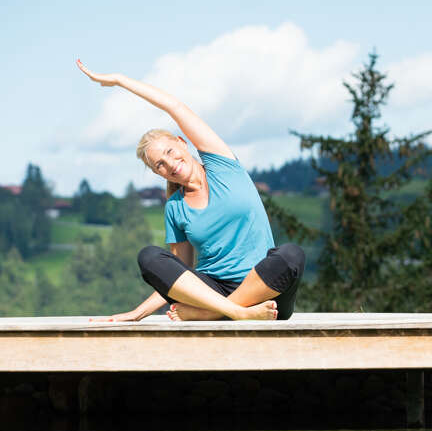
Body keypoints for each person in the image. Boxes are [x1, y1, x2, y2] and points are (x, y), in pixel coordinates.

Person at [77, 59, 305, 322]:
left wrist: (120, 80)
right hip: (213, 290)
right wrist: (137, 313)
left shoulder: (222, 166)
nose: (170, 164)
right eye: (160, 164)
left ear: (182, 143)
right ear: (156, 173)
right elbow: (178, 273)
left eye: (170, 152)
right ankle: (232, 312)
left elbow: (174, 106)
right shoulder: (175, 207)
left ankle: (213, 313)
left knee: (290, 255)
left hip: (265, 291)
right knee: (149, 257)